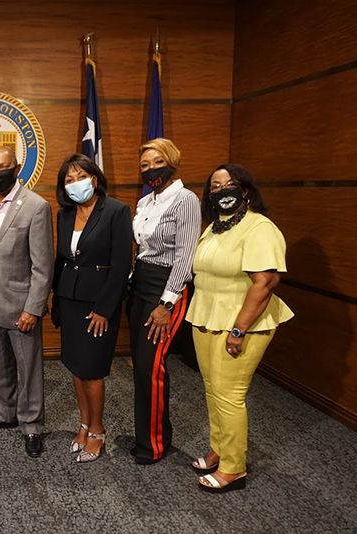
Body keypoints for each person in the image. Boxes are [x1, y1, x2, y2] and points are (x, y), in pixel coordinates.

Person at [186, 164, 294, 493]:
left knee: (229, 395)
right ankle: (221, 449)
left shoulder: (260, 228)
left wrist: (238, 330)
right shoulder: (215, 228)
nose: (221, 191)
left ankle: (234, 468)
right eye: (215, 186)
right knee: (211, 388)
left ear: (245, 190)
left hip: (242, 323)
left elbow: (265, 283)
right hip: (206, 315)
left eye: (229, 184)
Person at [0, 146, 54, 458]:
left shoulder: (36, 206)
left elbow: (43, 266)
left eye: (3, 166)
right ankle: (4, 414)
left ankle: (32, 425)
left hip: (22, 308)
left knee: (28, 369)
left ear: (17, 167)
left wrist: (33, 308)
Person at [51, 154, 133, 463]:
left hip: (98, 305)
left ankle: (98, 431)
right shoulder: (64, 214)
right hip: (70, 300)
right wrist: (56, 299)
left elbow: (122, 264)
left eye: (79, 177)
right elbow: (62, 260)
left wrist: (104, 308)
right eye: (68, 181)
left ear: (94, 179)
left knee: (93, 371)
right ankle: (83, 423)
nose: (74, 184)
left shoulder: (116, 211)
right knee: (74, 366)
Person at [127, 138, 201, 465]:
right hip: (140, 285)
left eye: (157, 162)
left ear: (171, 161)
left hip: (166, 289)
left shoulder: (185, 200)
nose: (151, 169)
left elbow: (185, 257)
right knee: (141, 368)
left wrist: (166, 304)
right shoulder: (146, 202)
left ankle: (155, 444)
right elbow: (142, 249)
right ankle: (147, 435)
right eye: (144, 165)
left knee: (151, 367)